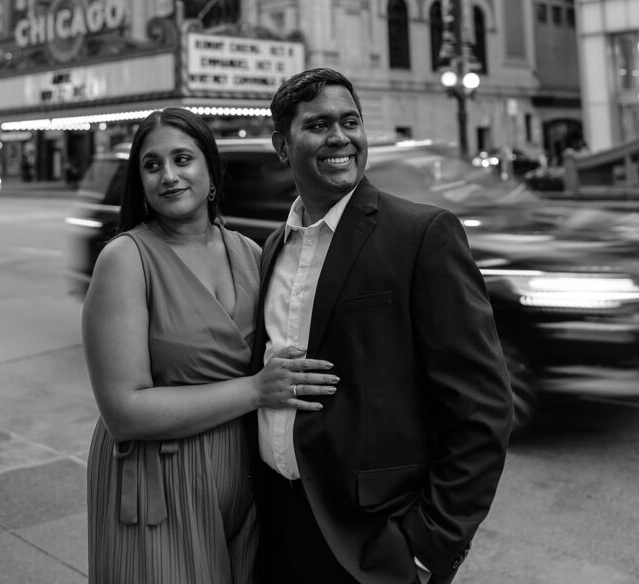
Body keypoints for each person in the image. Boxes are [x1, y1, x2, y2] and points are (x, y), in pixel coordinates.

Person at [252, 69, 514, 584]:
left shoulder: (422, 235)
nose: (340, 138)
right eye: (319, 125)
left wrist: (427, 546)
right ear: (282, 146)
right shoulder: (272, 249)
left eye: (350, 121)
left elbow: (482, 410)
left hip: (373, 545)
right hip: (278, 526)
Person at [82, 107, 338, 584]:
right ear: (139, 181)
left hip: (242, 480)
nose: (169, 176)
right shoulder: (125, 258)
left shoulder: (250, 251)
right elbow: (123, 410)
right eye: (152, 165)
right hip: (158, 483)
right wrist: (257, 391)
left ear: (211, 170)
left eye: (183, 159)